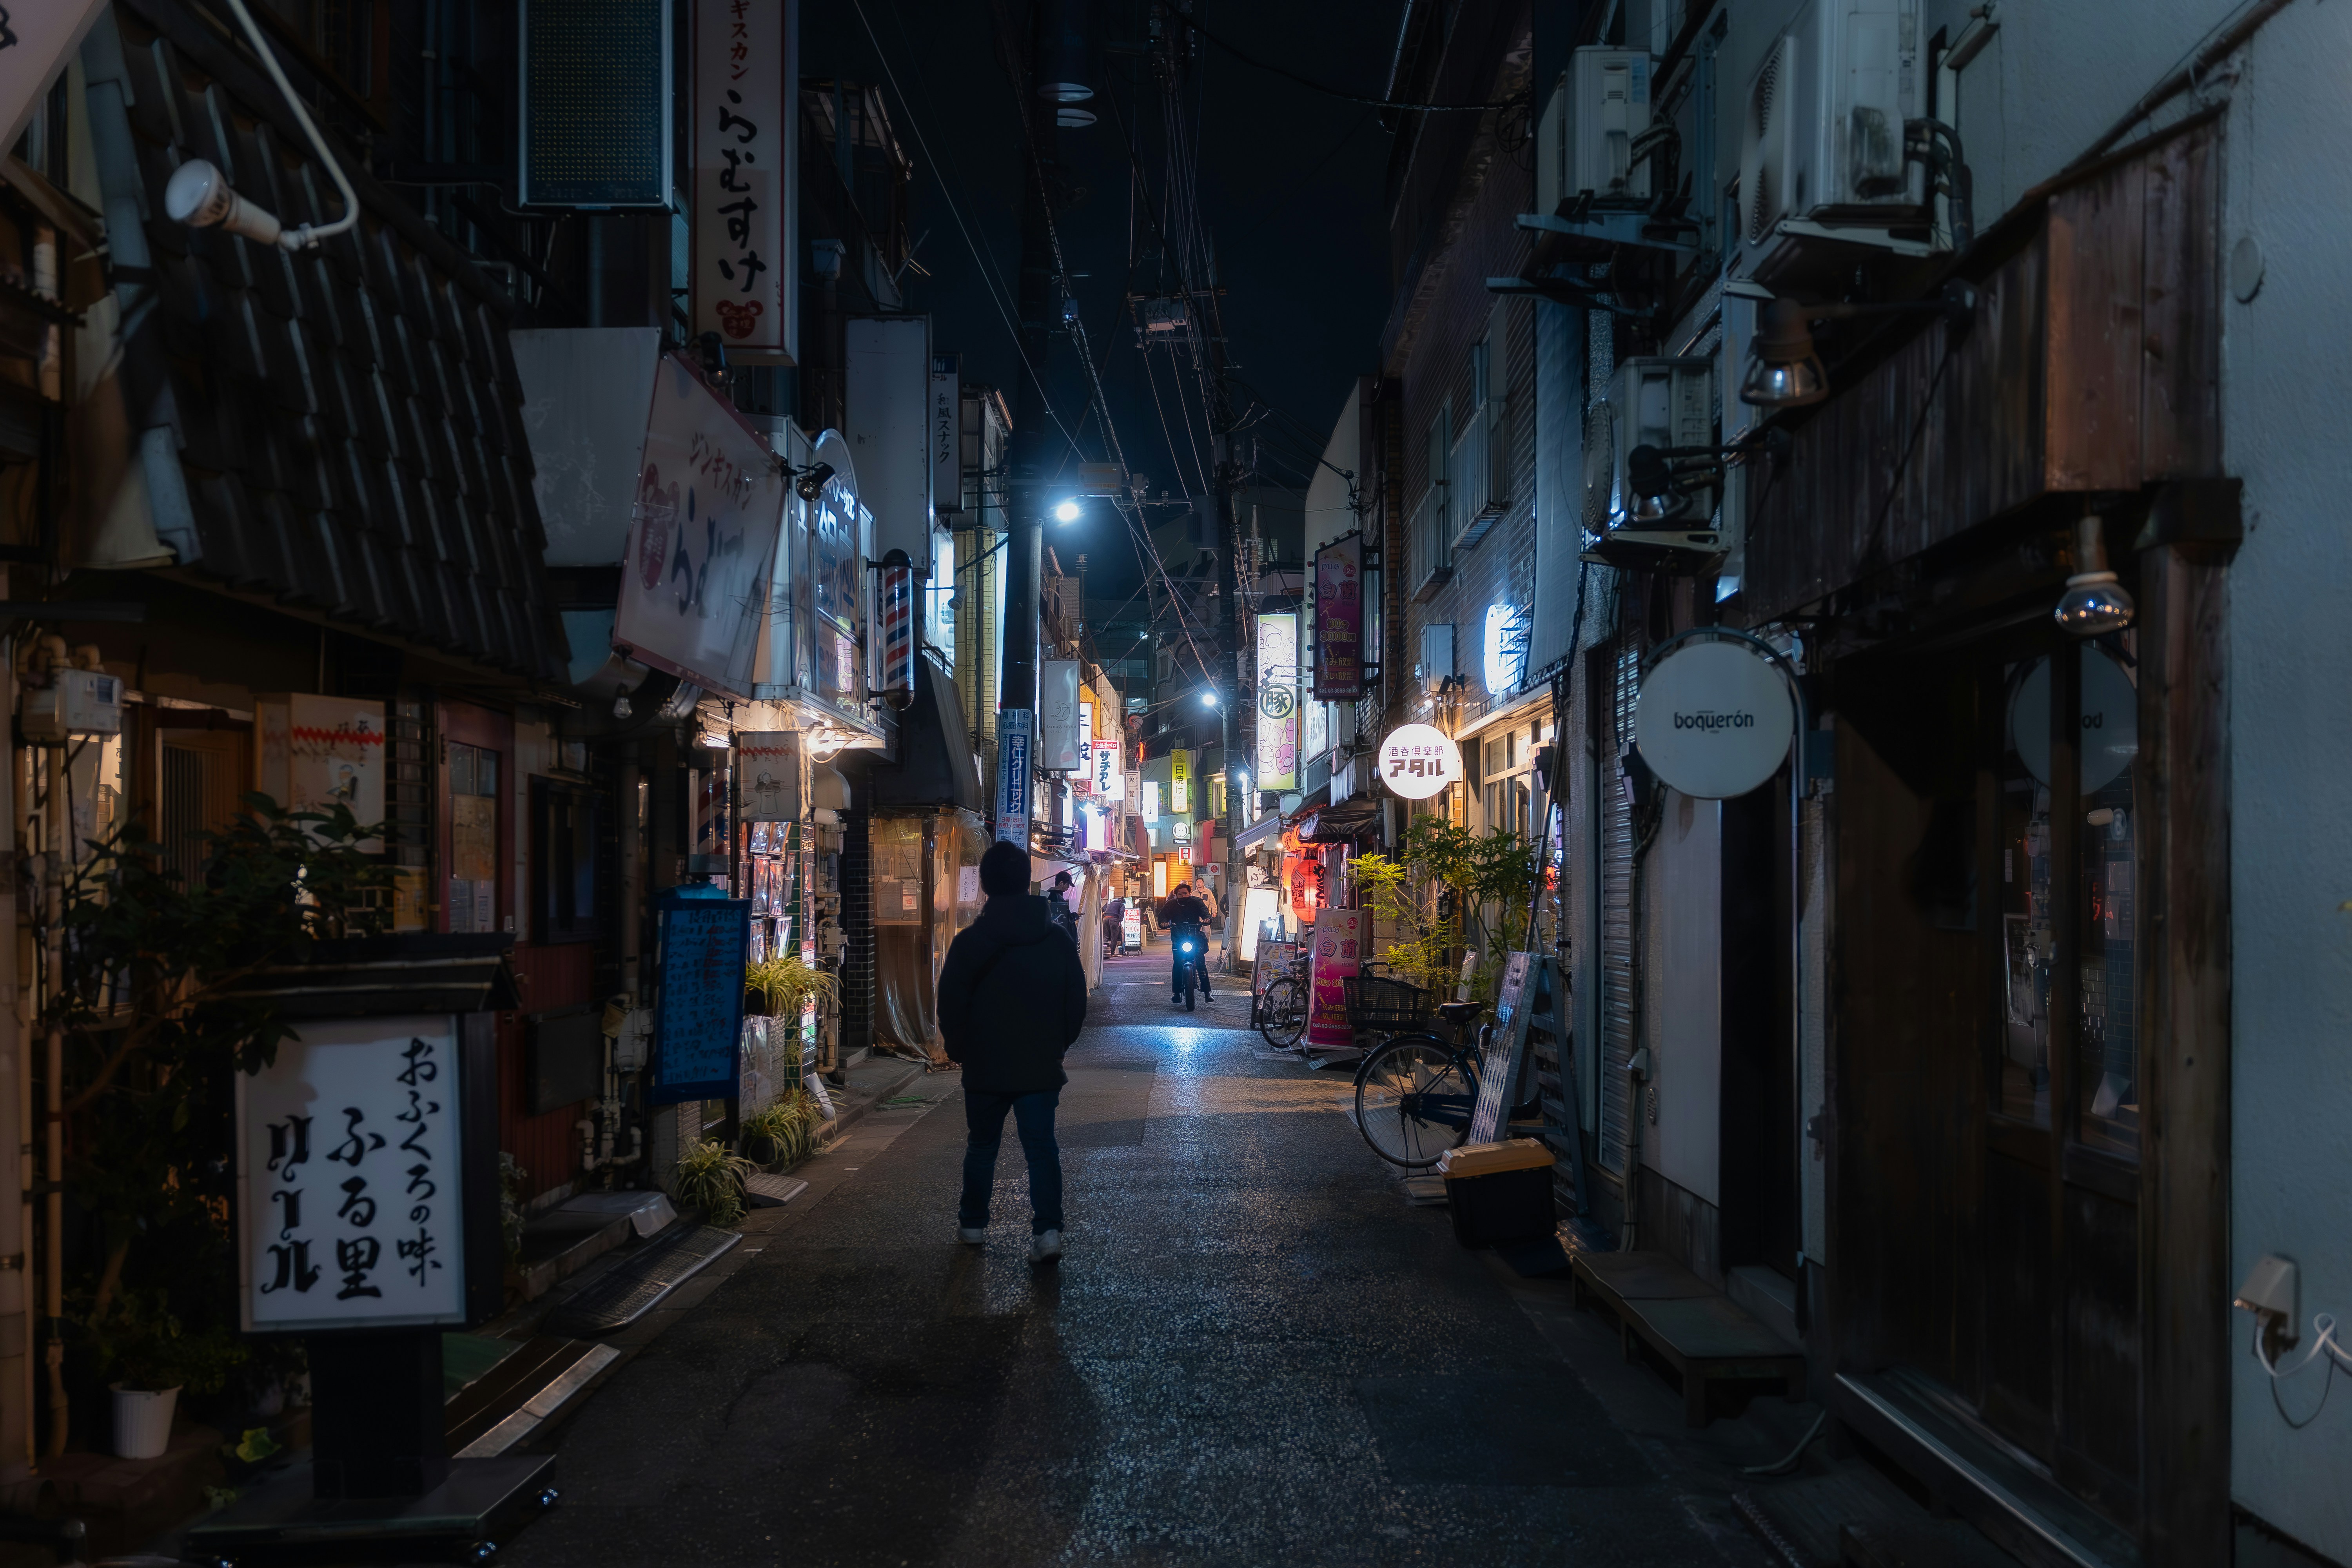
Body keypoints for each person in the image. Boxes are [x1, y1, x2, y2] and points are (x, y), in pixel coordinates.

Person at [938, 841, 1089, 1265]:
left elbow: (950, 1003)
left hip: (984, 1064)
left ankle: (972, 1224)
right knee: (1042, 1147)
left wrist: (962, 1049)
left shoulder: (969, 943)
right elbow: (1075, 1001)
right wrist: (1058, 1045)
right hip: (1040, 1064)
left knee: (982, 1145)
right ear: (1028, 881)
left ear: (985, 884)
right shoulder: (1056, 939)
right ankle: (1048, 1231)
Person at [1160, 881, 1214, 1009]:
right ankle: (1177, 993)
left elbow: (1205, 911)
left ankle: (1207, 993)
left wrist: (1207, 919)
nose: (1183, 896)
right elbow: (1162, 916)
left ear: (1189, 893)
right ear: (1176, 895)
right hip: (1178, 937)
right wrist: (1163, 923)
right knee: (1178, 963)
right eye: (1180, 894)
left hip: (1195, 936)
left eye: (1186, 893)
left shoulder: (1196, 901)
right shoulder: (1171, 904)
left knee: (1201, 963)